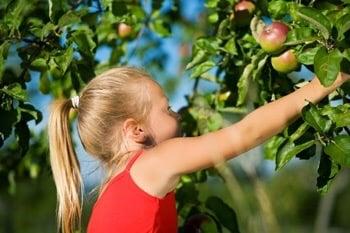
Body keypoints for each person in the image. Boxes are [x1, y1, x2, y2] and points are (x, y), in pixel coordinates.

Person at [47, 66, 350, 233]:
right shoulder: (155, 161)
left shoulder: (110, 191)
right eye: (166, 109)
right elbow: (246, 133)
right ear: (136, 130)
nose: (177, 114)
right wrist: (326, 81)